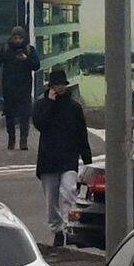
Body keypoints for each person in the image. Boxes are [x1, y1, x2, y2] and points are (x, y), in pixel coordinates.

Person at [32, 66, 92, 248]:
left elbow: (81, 133)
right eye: (56, 85)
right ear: (50, 87)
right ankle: (57, 229)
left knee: (68, 192)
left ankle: (70, 228)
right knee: (51, 200)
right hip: (48, 159)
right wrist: (50, 103)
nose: (59, 88)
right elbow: (40, 124)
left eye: (62, 85)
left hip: (68, 157)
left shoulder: (74, 107)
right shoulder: (42, 105)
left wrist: (87, 158)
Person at [0, 25, 40, 151]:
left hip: (24, 88)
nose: (18, 41)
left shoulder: (29, 50)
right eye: (15, 38)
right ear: (12, 38)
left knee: (25, 114)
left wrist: (26, 59)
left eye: (20, 38)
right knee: (9, 115)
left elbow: (36, 66)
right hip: (9, 87)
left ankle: (23, 140)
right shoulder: (6, 49)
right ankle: (11, 139)